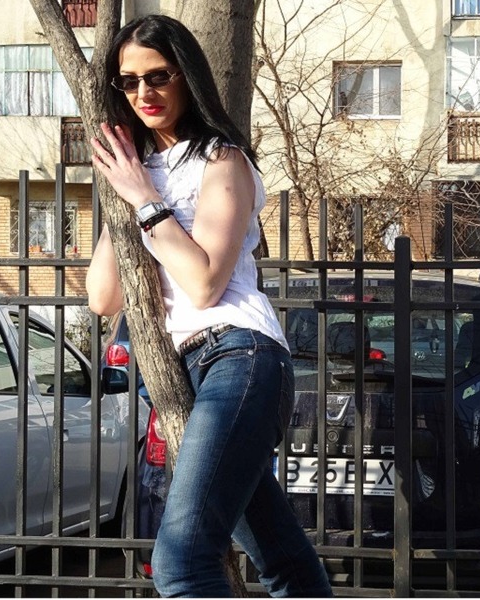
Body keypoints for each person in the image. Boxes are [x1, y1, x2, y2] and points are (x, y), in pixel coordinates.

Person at [86, 14, 333, 599]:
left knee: (182, 564)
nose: (144, 92)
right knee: (284, 563)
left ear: (186, 75)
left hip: (238, 358)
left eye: (158, 75)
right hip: (182, 376)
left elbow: (203, 284)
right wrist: (128, 192)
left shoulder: (223, 161)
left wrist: (146, 199)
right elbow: (103, 298)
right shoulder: (135, 173)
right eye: (129, 81)